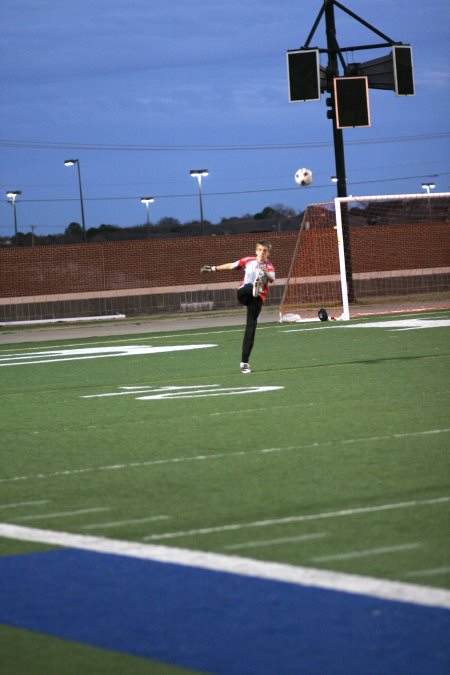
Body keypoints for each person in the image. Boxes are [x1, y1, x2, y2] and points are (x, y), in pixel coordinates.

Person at [201, 240, 275, 373]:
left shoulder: (269, 266)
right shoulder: (248, 260)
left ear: (268, 253)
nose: (262, 253)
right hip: (244, 293)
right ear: (256, 251)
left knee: (251, 328)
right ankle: (254, 287)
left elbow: (273, 278)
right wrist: (213, 268)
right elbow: (231, 266)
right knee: (247, 286)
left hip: (257, 299)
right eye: (260, 250)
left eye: (265, 251)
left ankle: (244, 363)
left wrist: (265, 273)